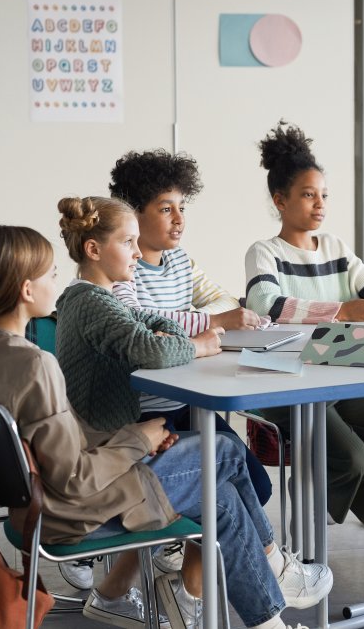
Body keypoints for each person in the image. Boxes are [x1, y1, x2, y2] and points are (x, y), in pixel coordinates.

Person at [51, 196, 333, 627]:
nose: (135, 252)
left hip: (111, 456)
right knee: (224, 452)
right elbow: (152, 345)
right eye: (127, 242)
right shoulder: (94, 302)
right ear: (93, 250)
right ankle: (274, 572)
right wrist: (200, 342)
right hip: (108, 467)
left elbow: (151, 325)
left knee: (220, 482)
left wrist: (168, 328)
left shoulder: (95, 300)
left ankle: (268, 610)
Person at [243, 120, 364, 526]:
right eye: (307, 195)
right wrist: (341, 311)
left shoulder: (335, 247)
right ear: (280, 200)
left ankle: (324, 507)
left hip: (337, 368)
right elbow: (265, 304)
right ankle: (308, 509)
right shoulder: (263, 252)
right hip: (285, 379)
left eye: (323, 195)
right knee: (351, 456)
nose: (319, 204)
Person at [107, 148, 272, 502]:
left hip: (187, 401)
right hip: (146, 411)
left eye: (182, 207)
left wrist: (192, 325)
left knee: (257, 486)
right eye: (166, 209)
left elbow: (226, 300)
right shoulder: (121, 269)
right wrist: (208, 322)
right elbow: (142, 325)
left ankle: (211, 553)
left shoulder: (180, 261)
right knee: (229, 489)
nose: (179, 219)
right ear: (134, 215)